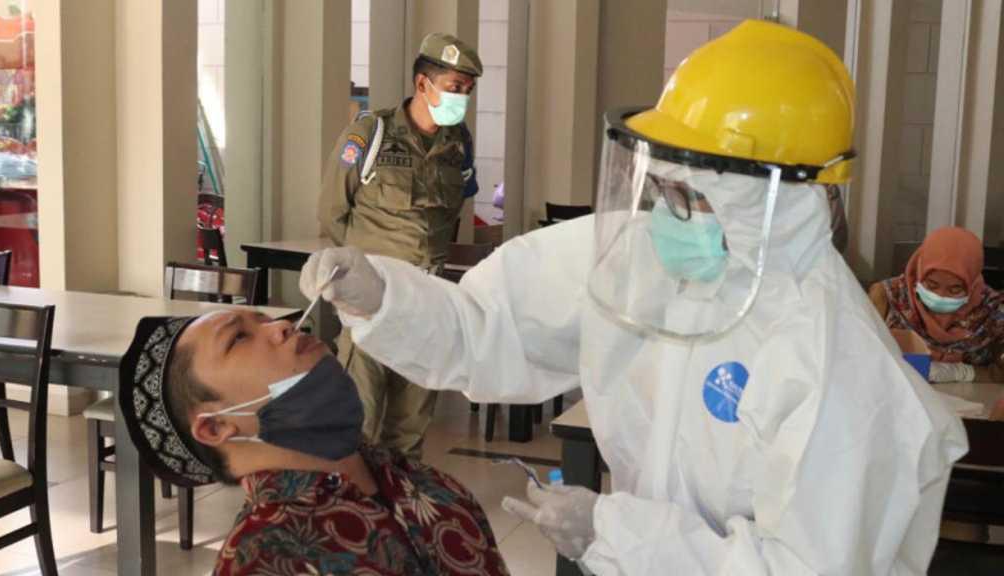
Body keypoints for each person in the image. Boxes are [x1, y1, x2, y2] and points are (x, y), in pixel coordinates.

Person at [301, 20, 968, 575]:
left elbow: (803, 568)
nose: (666, 213)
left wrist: (614, 531)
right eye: (666, 189)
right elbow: (489, 325)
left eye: (692, 196)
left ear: (775, 202)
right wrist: (382, 295)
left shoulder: (836, 360)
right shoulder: (648, 258)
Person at [117, 310, 509, 576]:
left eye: (266, 319)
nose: (282, 327)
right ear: (216, 427)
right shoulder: (265, 557)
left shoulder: (429, 485)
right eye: (238, 338)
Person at [319, 32, 482, 458]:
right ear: (423, 84)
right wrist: (359, 277)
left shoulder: (458, 144)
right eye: (454, 88)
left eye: (467, 89)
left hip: (427, 302)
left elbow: (453, 217)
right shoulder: (370, 134)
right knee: (361, 424)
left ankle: (402, 514)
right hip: (371, 302)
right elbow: (333, 212)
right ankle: (355, 516)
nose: (462, 97)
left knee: (409, 430)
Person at [869, 226, 1004, 383]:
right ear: (919, 272)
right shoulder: (887, 297)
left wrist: (962, 372)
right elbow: (856, 355)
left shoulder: (992, 311)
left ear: (972, 284)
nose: (940, 295)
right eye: (931, 285)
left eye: (955, 289)